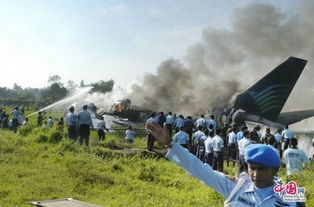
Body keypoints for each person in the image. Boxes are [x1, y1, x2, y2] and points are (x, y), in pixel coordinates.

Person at [146, 122, 297, 206]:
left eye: (262, 169)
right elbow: (200, 170)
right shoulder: (237, 187)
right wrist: (172, 145)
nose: (256, 174)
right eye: (253, 168)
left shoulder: (292, 197)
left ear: (275, 170)